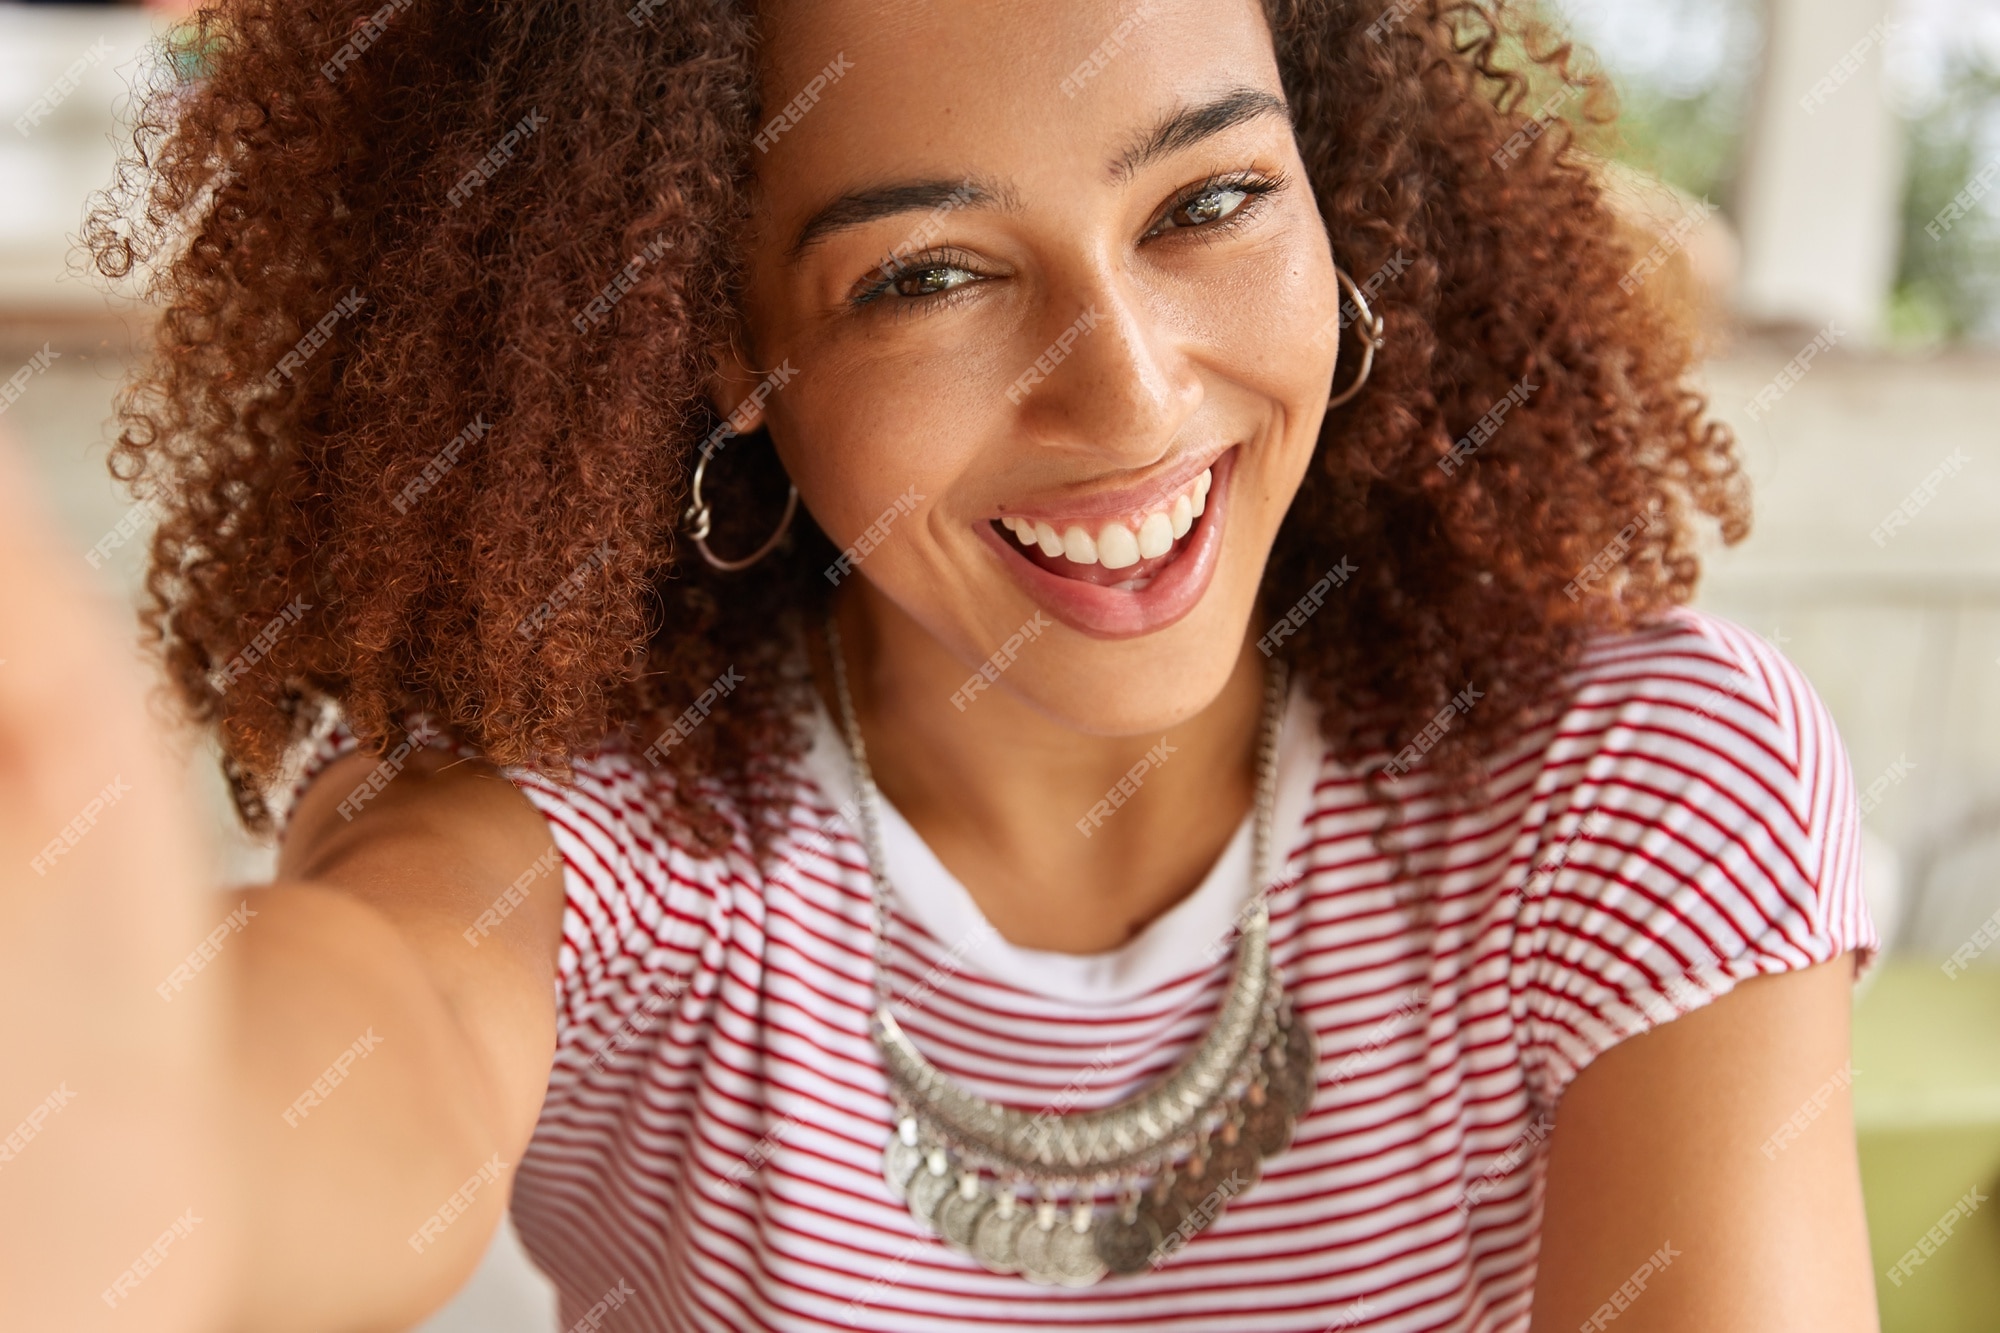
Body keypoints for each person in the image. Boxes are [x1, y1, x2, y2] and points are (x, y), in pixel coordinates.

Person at [2, 0, 1879, 1328]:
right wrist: (102, 1110)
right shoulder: (591, 826)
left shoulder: (1641, 789)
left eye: (1209, 201)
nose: (1131, 394)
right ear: (725, 350)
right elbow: (364, 1038)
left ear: (1341, 191)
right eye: (924, 276)